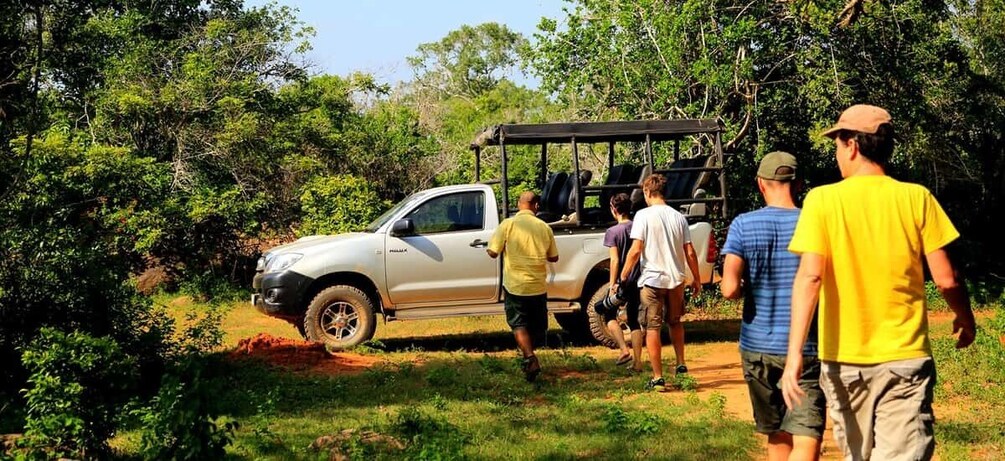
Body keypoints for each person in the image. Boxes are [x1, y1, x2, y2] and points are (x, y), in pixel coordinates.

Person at [779, 104, 977, 460]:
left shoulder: (822, 201)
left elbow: (810, 277)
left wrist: (794, 355)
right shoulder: (917, 198)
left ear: (852, 145)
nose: (838, 154)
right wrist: (965, 317)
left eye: (838, 144)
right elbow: (947, 279)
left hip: (843, 361)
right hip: (904, 357)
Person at [720, 152, 825, 461]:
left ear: (760, 185)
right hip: (807, 345)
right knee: (807, 436)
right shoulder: (816, 223)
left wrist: (744, 288)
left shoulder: (743, 225)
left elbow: (728, 289)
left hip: (757, 346)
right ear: (800, 184)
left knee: (776, 433)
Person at [618, 174, 702, 391]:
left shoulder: (643, 216)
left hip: (652, 280)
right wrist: (696, 278)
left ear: (647, 191)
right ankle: (681, 364)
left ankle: (658, 378)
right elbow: (690, 251)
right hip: (676, 280)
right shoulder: (678, 217)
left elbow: (636, 250)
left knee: (653, 327)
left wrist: (623, 275)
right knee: (675, 321)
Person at [487, 191, 560, 382]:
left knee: (518, 324)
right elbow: (554, 257)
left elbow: (493, 252)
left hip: (515, 285)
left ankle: (529, 357)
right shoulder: (544, 227)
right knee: (535, 326)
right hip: (537, 286)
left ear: (519, 204)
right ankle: (530, 356)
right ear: (536, 206)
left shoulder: (508, 225)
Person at [600, 193, 643, 370]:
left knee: (606, 313)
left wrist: (612, 284)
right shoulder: (638, 227)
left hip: (623, 282)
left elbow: (615, 260)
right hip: (639, 279)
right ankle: (638, 362)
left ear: (613, 209)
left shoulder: (612, 232)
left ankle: (624, 349)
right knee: (634, 320)